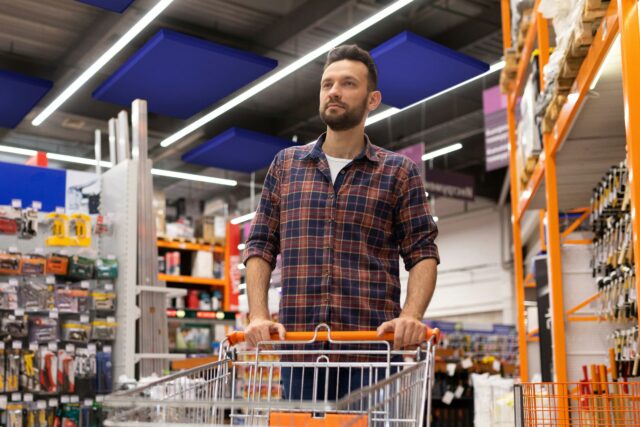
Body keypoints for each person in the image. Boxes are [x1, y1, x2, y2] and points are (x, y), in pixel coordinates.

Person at [242, 44, 439, 400]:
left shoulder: (398, 172)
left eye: (348, 83)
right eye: (327, 84)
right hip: (301, 352)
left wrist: (411, 315)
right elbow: (260, 246)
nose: (334, 91)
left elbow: (422, 251)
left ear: (372, 99)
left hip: (372, 353)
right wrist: (258, 315)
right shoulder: (286, 166)